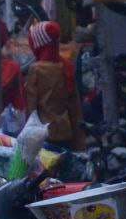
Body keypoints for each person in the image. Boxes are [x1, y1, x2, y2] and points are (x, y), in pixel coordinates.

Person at [23, 21, 85, 150]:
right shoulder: (66, 66)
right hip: (66, 132)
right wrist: (79, 143)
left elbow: (31, 109)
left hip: (44, 135)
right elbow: (75, 108)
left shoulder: (36, 70)